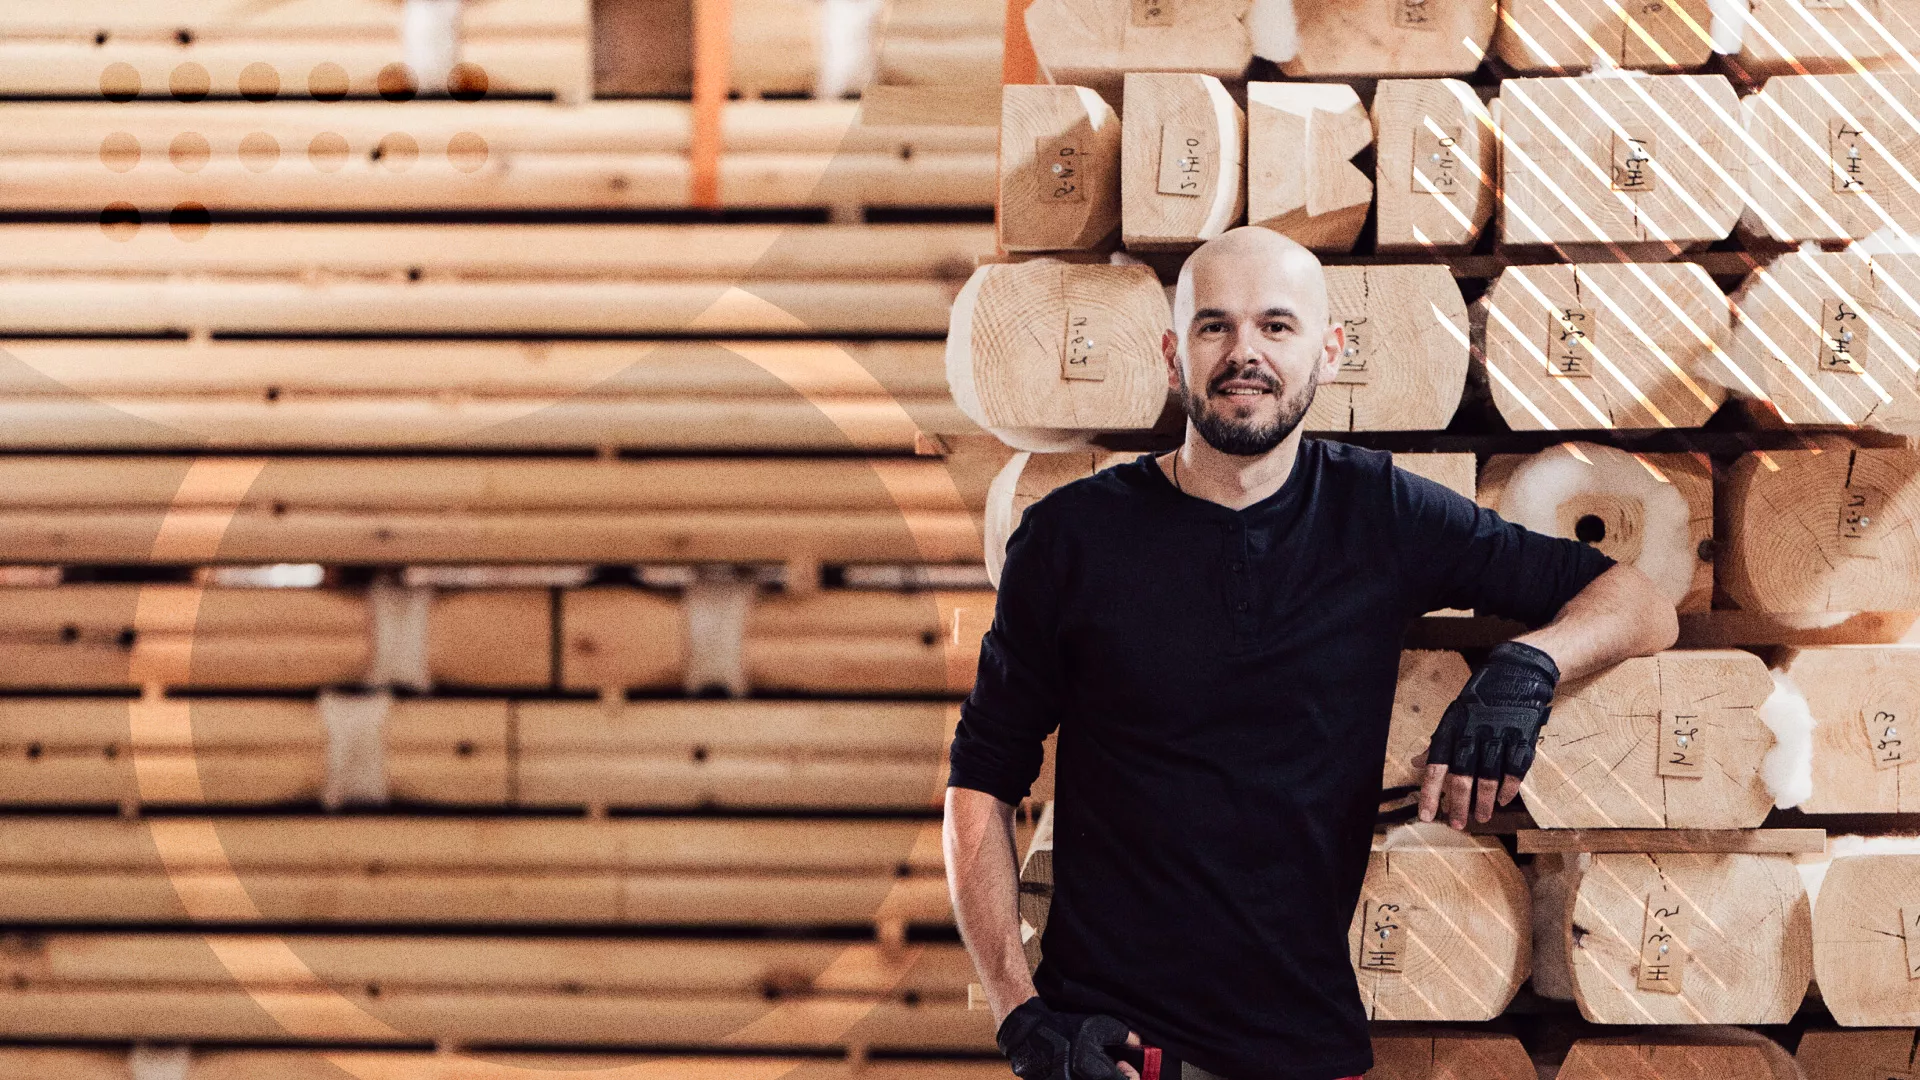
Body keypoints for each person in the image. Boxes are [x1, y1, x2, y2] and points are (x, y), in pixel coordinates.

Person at [942, 227, 1679, 1080]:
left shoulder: (1381, 514)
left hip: (1309, 1045)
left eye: (1275, 326)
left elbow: (1642, 604)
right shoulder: (1071, 538)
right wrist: (1019, 1014)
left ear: (1328, 353)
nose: (1243, 353)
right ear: (1173, 356)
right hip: (1118, 1052)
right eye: (1213, 326)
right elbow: (981, 775)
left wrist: (1530, 666)